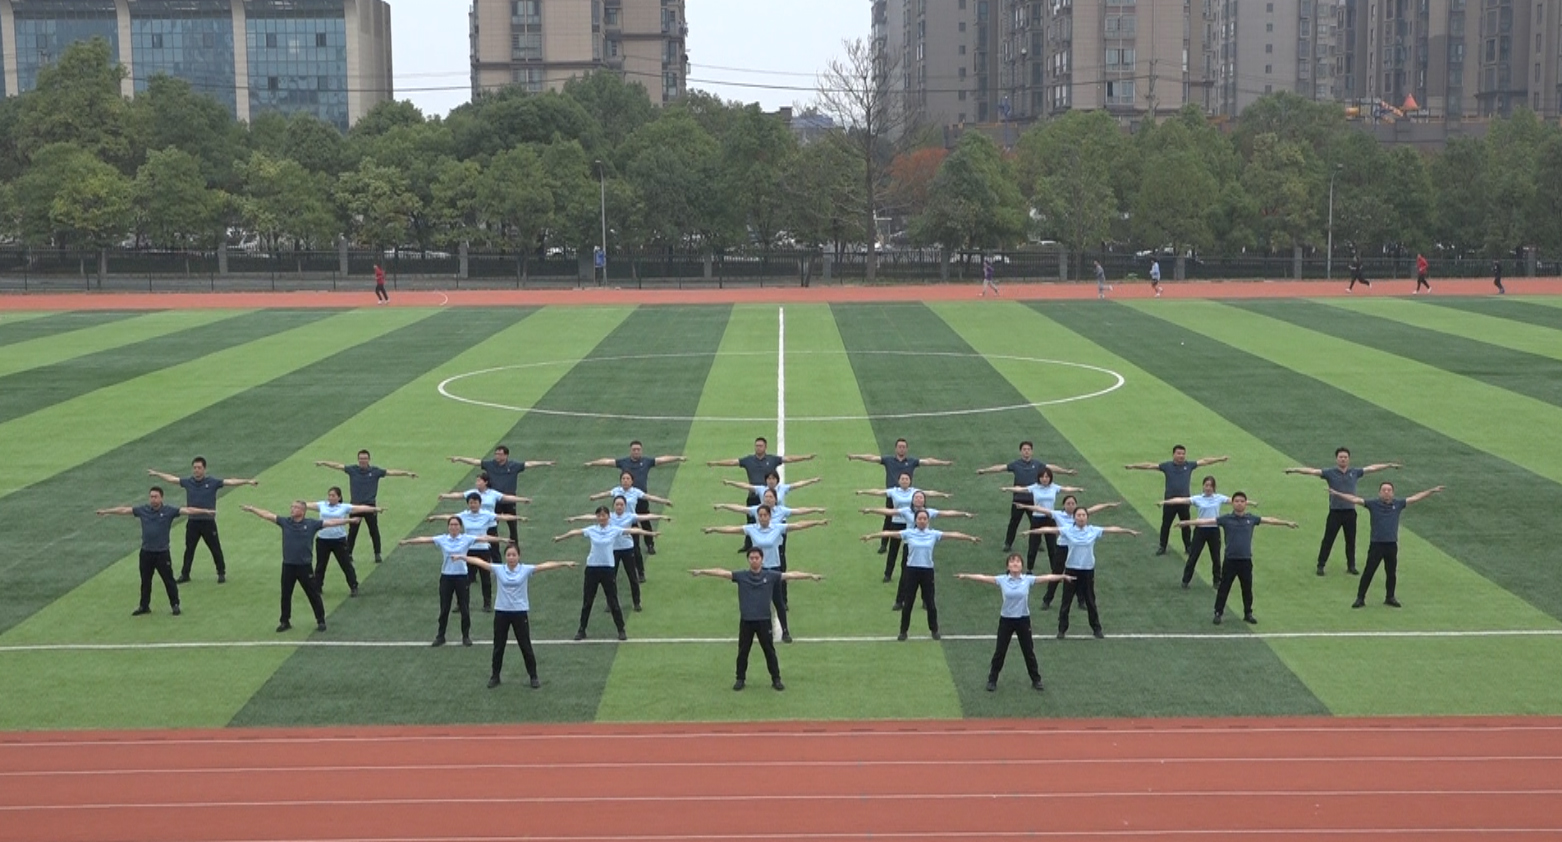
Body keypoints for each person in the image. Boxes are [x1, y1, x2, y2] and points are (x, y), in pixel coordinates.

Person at [689, 550, 824, 691]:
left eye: (756, 558)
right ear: (748, 560)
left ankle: (776, 679)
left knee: (769, 651)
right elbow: (721, 573)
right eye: (751, 558)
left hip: (764, 621)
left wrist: (810, 576)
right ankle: (740, 679)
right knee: (743, 651)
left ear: (761, 559)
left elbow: (791, 575)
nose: (754, 560)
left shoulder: (771, 575)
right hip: (746, 621)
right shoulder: (741, 576)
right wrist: (702, 571)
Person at [703, 506, 829, 643]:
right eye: (760, 515)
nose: (762, 518)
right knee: (758, 601)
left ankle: (785, 631)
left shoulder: (778, 528)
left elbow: (798, 525)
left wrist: (817, 522)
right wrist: (714, 529)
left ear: (769, 516)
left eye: (765, 515)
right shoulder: (752, 529)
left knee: (778, 601)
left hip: (774, 569)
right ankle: (758, 629)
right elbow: (732, 529)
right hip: (758, 570)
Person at [461, 544, 575, 688]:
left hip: (519, 613)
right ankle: (495, 676)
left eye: (514, 555)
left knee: (525, 645)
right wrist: (462, 557)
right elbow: (480, 562)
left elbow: (544, 566)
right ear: (505, 557)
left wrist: (564, 563)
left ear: (518, 556)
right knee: (499, 646)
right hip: (501, 612)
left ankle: (533, 676)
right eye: (508, 555)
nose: (511, 558)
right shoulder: (499, 569)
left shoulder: (525, 569)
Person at [956, 554, 1074, 692]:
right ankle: (992, 680)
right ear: (1008, 566)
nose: (1015, 564)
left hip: (1023, 620)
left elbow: (1047, 577)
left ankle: (1036, 680)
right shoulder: (1002, 580)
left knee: (1028, 651)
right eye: (1012, 562)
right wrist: (966, 576)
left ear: (1022, 566)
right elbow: (983, 577)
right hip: (1006, 620)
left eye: (1017, 561)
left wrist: (1063, 576)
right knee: (1000, 651)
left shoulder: (1027, 580)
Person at [1179, 492, 1298, 625]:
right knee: (1224, 588)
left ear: (1246, 503)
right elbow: (1206, 521)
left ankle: (1248, 613)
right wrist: (1187, 523)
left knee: (1247, 588)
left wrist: (1286, 523)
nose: (1239, 503)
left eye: (1242, 501)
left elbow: (1269, 520)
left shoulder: (1251, 519)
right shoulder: (1226, 519)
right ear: (1233, 503)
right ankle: (1218, 613)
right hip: (1230, 560)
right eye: (1236, 501)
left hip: (1246, 560)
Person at [862, 508, 980, 641]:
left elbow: (953, 534)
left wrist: (970, 538)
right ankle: (903, 632)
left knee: (930, 603)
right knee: (908, 603)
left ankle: (934, 630)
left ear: (928, 521)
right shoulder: (909, 533)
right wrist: (871, 536)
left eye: (924, 519)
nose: (922, 521)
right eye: (920, 519)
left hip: (927, 571)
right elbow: (889, 533)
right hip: (911, 571)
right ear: (916, 521)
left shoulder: (933, 534)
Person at [1026, 507, 1139, 639]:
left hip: (1087, 571)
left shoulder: (1093, 530)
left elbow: (1111, 529)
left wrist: (1128, 531)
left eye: (1083, 515)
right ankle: (1062, 630)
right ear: (1074, 517)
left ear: (1087, 517)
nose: (1081, 517)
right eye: (1078, 515)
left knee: (1090, 601)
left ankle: (1097, 629)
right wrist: (1030, 532)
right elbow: (1048, 529)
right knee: (1066, 602)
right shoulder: (1067, 530)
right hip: (1071, 570)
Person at [1284, 448, 1401, 576]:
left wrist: (1388, 465)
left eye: (1345, 457)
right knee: (1328, 539)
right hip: (1335, 512)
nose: (1343, 459)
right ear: (1337, 459)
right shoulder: (1330, 473)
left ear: (1349, 459)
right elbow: (1312, 471)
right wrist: (1294, 470)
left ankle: (1351, 566)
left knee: (1351, 540)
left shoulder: (1354, 472)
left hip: (1350, 512)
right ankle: (1321, 565)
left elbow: (1372, 468)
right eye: (1341, 457)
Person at [96, 487, 212, 617]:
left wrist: (205, 511)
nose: (153, 499)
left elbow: (188, 510)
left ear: (161, 498)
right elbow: (124, 510)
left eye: (155, 497)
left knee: (168, 580)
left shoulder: (169, 511)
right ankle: (144, 606)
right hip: (146, 552)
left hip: (162, 553)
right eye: (151, 497)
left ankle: (175, 604)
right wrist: (107, 511)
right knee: (145, 581)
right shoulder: (143, 510)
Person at [239, 501, 351, 634]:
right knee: (286, 594)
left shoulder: (311, 524)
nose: (292, 509)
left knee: (313, 594)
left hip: (305, 566)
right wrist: (252, 509)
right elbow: (268, 515)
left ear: (302, 511)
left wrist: (349, 520)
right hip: (288, 566)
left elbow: (331, 522)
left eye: (295, 507)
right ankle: (285, 621)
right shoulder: (285, 522)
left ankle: (320, 620)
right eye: (291, 507)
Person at [1330, 482, 1445, 609]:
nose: (1386, 492)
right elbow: (1354, 499)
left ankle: (1390, 597)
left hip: (1391, 545)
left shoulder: (1398, 504)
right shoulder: (1373, 504)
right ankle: (1360, 598)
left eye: (1389, 490)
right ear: (1379, 493)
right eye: (1384, 490)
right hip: (1376, 545)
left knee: (1391, 573)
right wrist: (1337, 493)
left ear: (1393, 493)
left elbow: (1415, 498)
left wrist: (1432, 491)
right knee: (1369, 572)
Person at [147, 458, 257, 585]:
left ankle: (221, 572)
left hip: (208, 522)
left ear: (204, 469)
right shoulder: (188, 482)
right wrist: (157, 474)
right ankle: (185, 574)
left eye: (199, 468)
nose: (196, 470)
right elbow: (172, 479)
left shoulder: (212, 482)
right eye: (194, 468)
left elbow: (230, 481)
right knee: (189, 549)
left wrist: (247, 481)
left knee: (215, 548)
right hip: (193, 522)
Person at [398, 517, 501, 646]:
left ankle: (466, 636)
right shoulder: (443, 539)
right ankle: (440, 636)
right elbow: (424, 540)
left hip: (462, 577)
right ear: (448, 527)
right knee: (444, 608)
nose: (453, 527)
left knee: (464, 608)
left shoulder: (466, 538)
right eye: (451, 525)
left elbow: (484, 538)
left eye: (456, 525)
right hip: (446, 577)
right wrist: (407, 542)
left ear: (460, 527)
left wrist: (502, 540)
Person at [554, 507, 652, 641]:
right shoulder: (592, 530)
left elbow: (633, 530)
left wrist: (650, 533)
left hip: (608, 569)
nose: (601, 518)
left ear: (608, 517)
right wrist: (560, 538)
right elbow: (575, 532)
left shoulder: (614, 530)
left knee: (613, 601)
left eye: (604, 515)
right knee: (587, 601)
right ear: (596, 517)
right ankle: (582, 629)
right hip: (592, 569)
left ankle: (621, 629)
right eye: (599, 516)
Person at [438, 473, 532, 611]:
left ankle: (487, 603)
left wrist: (518, 517)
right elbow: (450, 517)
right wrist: (436, 517)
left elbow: (502, 516)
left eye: (475, 503)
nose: (473, 505)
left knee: (485, 577)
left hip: (483, 548)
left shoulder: (486, 514)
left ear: (480, 504)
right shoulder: (464, 515)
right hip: (468, 549)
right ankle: (461, 603)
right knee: (465, 578)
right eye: (471, 503)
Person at [847, 439, 953, 554]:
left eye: (903, 447)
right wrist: (856, 456)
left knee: (911, 519)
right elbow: (872, 458)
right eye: (899, 447)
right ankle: (884, 544)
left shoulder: (911, 461)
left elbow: (927, 461)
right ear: (896, 448)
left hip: (909, 496)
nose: (901, 449)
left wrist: (943, 463)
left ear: (906, 449)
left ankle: (912, 542)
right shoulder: (888, 460)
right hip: (893, 495)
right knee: (888, 518)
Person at [566, 495, 670, 612]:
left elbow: (646, 517)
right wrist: (575, 518)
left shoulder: (630, 516)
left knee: (632, 577)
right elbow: (589, 517)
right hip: (613, 551)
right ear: (613, 506)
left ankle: (637, 602)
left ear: (625, 506)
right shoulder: (608, 517)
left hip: (627, 549)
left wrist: (661, 517)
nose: (619, 507)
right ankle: (611, 603)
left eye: (621, 505)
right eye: (617, 504)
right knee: (611, 579)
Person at [584, 441, 687, 556]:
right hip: (626, 503)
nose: (636, 451)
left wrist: (678, 458)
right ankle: (628, 546)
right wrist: (592, 463)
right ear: (630, 450)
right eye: (634, 449)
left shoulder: (646, 461)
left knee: (645, 521)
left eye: (638, 449)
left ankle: (650, 544)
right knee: (628, 524)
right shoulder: (624, 462)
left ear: (641, 450)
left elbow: (662, 459)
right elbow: (607, 462)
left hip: (641, 499)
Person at [1018, 495, 1121, 609]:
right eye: (1068, 503)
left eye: (1073, 504)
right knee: (1057, 573)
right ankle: (1047, 600)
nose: (1071, 506)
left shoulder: (1080, 515)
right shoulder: (1058, 514)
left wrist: (1108, 505)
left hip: (1076, 549)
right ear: (1064, 505)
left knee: (1078, 574)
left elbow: (1096, 508)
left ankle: (1081, 601)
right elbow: (1040, 509)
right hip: (1062, 548)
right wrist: (1024, 506)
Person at [314, 451, 417, 564]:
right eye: (361, 458)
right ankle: (349, 553)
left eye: (365, 458)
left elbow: (391, 472)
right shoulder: (353, 470)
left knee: (374, 530)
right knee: (353, 531)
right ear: (358, 459)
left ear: (369, 459)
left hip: (370, 506)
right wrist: (324, 463)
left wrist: (407, 473)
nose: (362, 461)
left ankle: (377, 553)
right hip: (355, 506)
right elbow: (338, 466)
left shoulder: (375, 471)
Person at [1124, 447, 1229, 557]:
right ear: (1173, 454)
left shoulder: (1189, 465)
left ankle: (1188, 547)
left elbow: (1204, 461)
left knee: (1186, 525)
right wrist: (1133, 466)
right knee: (1166, 525)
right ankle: (1162, 546)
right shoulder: (1167, 466)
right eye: (1179, 453)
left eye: (1183, 454)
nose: (1181, 456)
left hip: (1184, 502)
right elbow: (1150, 465)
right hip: (1170, 502)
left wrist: (1220, 459)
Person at [855, 473, 952, 591]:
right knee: (893, 550)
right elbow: (883, 500)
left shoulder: (916, 494)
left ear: (910, 481)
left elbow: (930, 493)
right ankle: (888, 574)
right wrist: (867, 499)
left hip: (910, 527)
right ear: (899, 481)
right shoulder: (895, 492)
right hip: (898, 523)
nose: (905, 481)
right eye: (903, 479)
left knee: (908, 558)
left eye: (907, 479)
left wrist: (942, 495)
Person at [976, 441, 1077, 553]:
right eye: (1024, 449)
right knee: (1014, 522)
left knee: (1036, 522)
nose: (1026, 452)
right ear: (1021, 451)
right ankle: (1008, 543)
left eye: (1028, 449)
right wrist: (985, 471)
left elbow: (1051, 468)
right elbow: (1000, 468)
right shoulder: (1016, 464)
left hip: (1033, 500)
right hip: (1018, 499)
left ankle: (1037, 543)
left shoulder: (1037, 464)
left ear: (1032, 451)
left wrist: (1067, 472)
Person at [449, 446, 553, 547]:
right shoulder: (490, 465)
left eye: (499, 454)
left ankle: (514, 548)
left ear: (506, 455)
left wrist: (545, 463)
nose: (497, 456)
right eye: (496, 454)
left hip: (509, 501)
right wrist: (459, 459)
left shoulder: (513, 466)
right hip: (495, 502)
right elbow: (475, 462)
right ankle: (491, 546)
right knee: (491, 525)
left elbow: (528, 464)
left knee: (512, 526)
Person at [1158, 476, 1247, 589]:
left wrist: (1251, 503)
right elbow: (1181, 500)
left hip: (1214, 530)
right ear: (1203, 486)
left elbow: (1235, 501)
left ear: (1214, 487)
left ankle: (1217, 581)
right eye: (1206, 485)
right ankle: (1185, 580)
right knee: (1193, 556)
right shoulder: (1198, 498)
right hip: (1200, 530)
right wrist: (1164, 502)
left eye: (1211, 486)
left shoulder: (1219, 498)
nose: (1208, 488)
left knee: (1216, 557)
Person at [590, 470, 674, 583]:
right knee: (613, 550)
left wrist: (664, 501)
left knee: (635, 549)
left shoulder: (635, 492)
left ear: (632, 481)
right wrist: (595, 497)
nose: (625, 481)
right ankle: (610, 576)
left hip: (630, 522)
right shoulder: (617, 490)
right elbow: (605, 494)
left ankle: (640, 573)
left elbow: (649, 497)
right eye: (623, 479)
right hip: (616, 525)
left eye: (628, 479)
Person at [999, 468, 1083, 574]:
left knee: (1052, 546)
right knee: (1033, 546)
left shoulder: (1054, 487)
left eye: (1047, 477)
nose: (1044, 479)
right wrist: (1007, 489)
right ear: (1039, 478)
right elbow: (1021, 489)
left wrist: (1077, 489)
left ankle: (1054, 570)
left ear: (1050, 478)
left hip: (1050, 519)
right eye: (1042, 477)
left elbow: (1066, 489)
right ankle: (1030, 569)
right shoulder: (1035, 487)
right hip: (1037, 518)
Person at [305, 488, 382, 596]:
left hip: (339, 540)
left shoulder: (344, 507)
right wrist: (297, 504)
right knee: (320, 565)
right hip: (323, 540)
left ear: (339, 497)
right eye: (329, 495)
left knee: (346, 564)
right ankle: (317, 587)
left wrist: (375, 509)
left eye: (333, 496)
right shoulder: (322, 505)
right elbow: (307, 505)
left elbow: (360, 508)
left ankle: (353, 586)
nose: (330, 498)